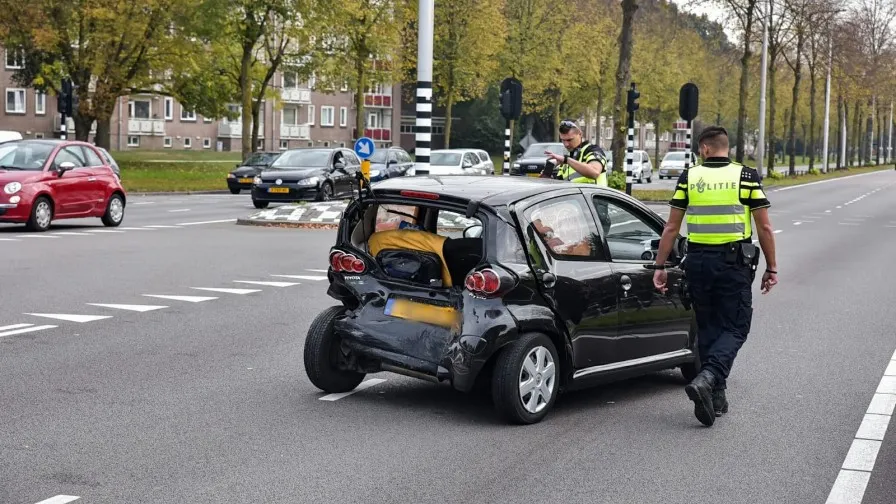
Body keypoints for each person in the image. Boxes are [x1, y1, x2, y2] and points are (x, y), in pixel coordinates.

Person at [651, 126, 778, 427]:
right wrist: (772, 267)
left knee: (707, 327)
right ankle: (708, 378)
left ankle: (716, 397)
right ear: (723, 147)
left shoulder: (690, 177)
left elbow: (671, 228)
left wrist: (659, 266)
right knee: (736, 327)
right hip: (732, 263)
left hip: (697, 262)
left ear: (705, 149)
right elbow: (765, 228)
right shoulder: (746, 177)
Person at [542, 119, 609, 186]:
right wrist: (548, 170)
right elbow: (559, 185)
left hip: (594, 196)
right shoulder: (568, 158)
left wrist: (566, 160)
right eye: (563, 140)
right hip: (576, 196)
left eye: (569, 140)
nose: (566, 144)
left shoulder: (593, 150)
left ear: (580, 134)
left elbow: (595, 172)